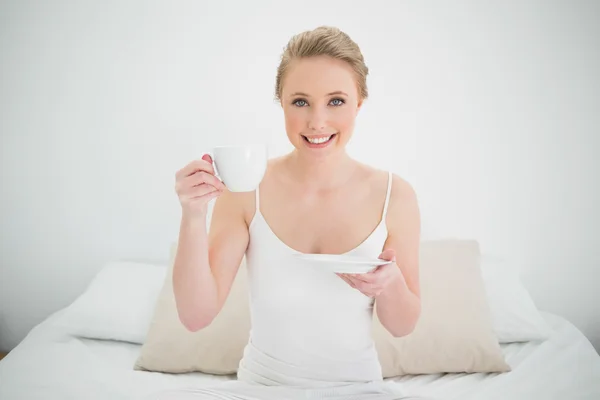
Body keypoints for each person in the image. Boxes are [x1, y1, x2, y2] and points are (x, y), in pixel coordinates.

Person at [147, 26, 430, 400]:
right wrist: (193, 215)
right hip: (260, 389)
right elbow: (196, 316)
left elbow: (403, 327)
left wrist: (390, 284)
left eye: (336, 101)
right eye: (300, 102)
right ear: (281, 102)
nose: (317, 122)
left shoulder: (395, 195)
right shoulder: (247, 190)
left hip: (358, 390)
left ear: (359, 103)